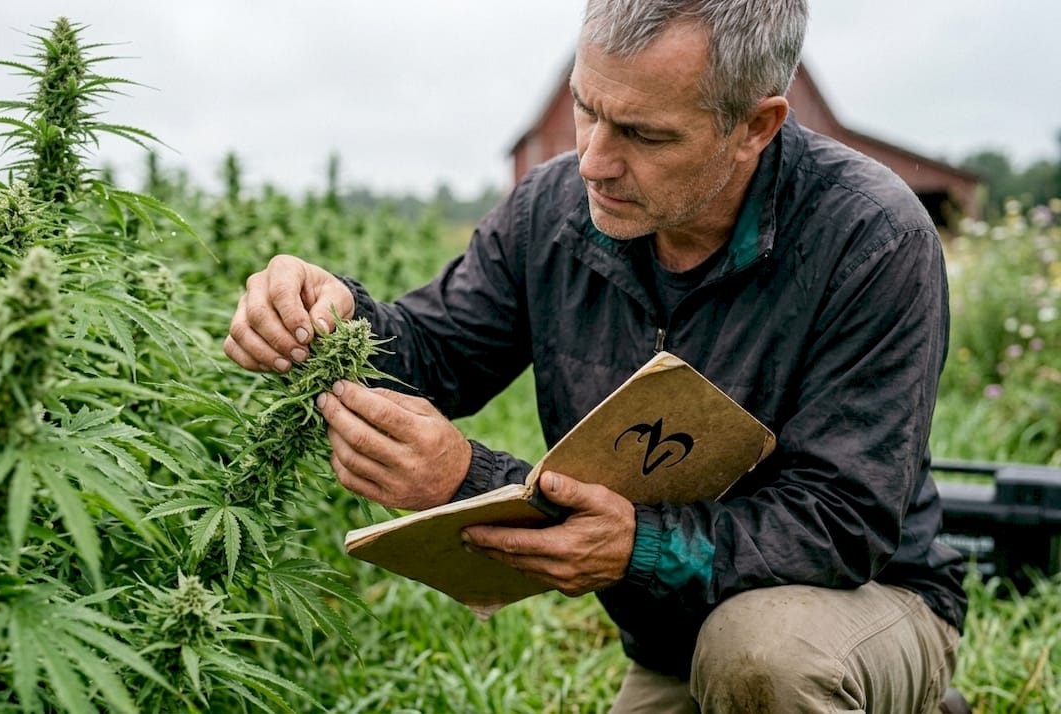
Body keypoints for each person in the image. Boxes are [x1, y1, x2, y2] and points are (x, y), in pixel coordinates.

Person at [225, 0, 967, 710]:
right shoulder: (551, 212)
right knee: (732, 660)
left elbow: (838, 526)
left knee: (760, 656)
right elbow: (438, 352)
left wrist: (593, 529)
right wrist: (337, 318)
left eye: (644, 135)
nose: (593, 162)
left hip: (859, 606)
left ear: (755, 125)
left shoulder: (871, 239)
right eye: (587, 108)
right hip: (673, 639)